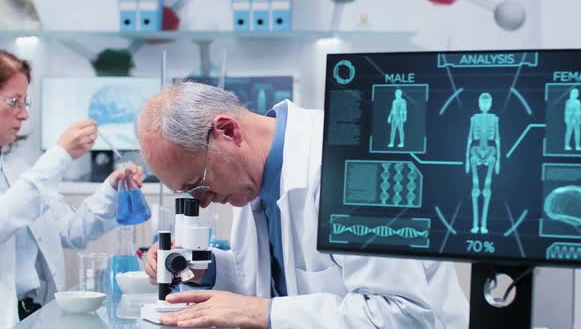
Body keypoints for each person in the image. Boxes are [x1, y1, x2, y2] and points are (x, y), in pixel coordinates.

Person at [138, 82, 469, 328]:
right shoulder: (250, 180)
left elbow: (401, 314)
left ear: (228, 131)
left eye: (199, 184)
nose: (204, 202)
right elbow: (273, 282)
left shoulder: (353, 164)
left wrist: (260, 313)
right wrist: (203, 269)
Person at [0, 50, 145, 327]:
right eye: (14, 101)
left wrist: (111, 190)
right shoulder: (37, 174)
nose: (24, 114)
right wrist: (60, 155)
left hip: (36, 314)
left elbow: (70, 231)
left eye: (25, 102)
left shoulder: (18, 168)